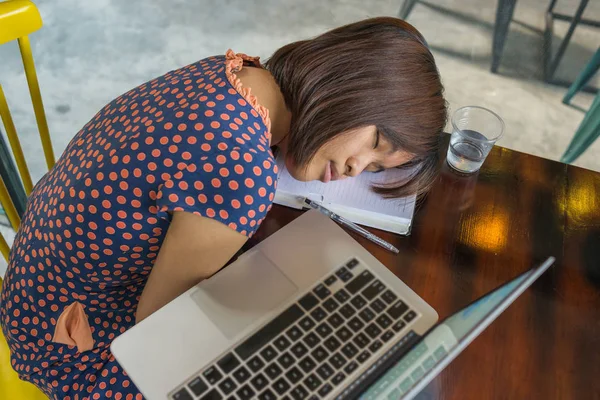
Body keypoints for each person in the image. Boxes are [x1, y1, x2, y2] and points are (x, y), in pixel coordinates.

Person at [0, 16, 446, 399]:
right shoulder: (241, 171)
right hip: (68, 343)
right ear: (350, 86)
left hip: (35, 284)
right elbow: (156, 326)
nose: (355, 169)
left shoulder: (237, 71)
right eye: (375, 143)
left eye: (375, 168)